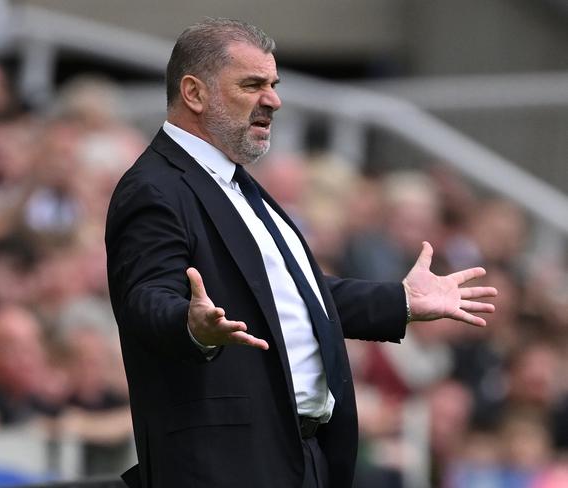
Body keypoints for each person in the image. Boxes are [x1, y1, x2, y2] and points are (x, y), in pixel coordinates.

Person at [105, 18, 497, 488]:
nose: (273, 99)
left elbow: (290, 297)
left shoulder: (236, 184)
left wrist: (403, 301)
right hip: (224, 464)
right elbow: (146, 298)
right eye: (252, 85)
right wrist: (191, 327)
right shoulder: (155, 186)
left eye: (273, 84)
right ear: (194, 93)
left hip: (299, 455)